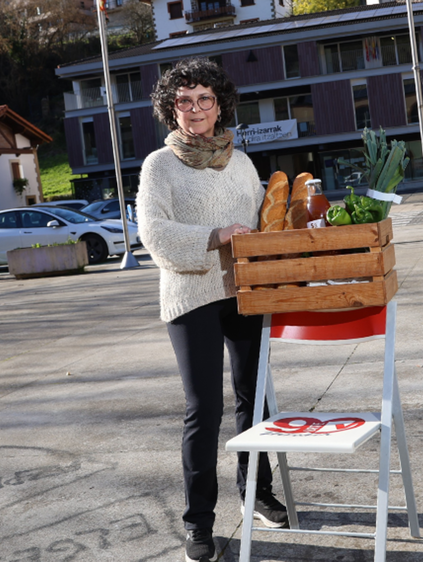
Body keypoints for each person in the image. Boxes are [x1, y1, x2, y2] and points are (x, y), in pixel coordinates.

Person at [136, 57, 288, 562]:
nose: (195, 108)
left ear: (219, 104)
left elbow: (265, 219)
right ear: (170, 108)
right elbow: (152, 234)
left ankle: (256, 491)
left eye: (204, 98)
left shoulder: (240, 162)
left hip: (244, 292)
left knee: (255, 397)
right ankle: (198, 523)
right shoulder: (160, 165)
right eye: (184, 100)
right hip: (191, 294)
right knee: (205, 409)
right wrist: (214, 236)